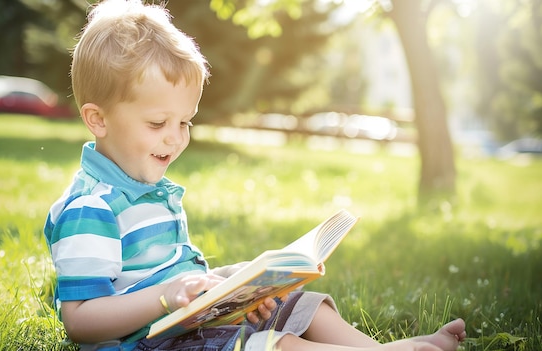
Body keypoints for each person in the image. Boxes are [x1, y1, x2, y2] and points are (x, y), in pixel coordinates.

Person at [43, 0, 467, 350]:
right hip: (147, 344)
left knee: (292, 300)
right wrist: (165, 297)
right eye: (158, 124)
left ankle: (377, 349)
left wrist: (232, 291)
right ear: (98, 119)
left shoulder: (150, 189)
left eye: (185, 123)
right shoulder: (91, 208)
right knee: (272, 346)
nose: (174, 140)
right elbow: (81, 321)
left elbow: (179, 277)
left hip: (183, 323)